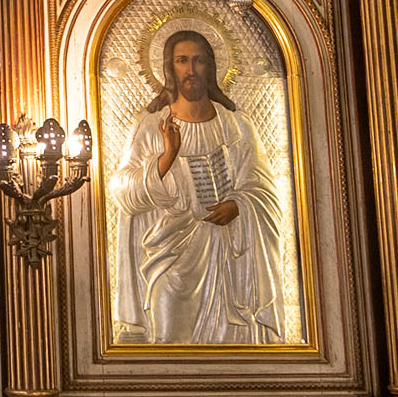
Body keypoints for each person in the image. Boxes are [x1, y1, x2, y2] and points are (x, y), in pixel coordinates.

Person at [115, 26, 282, 343]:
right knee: (166, 337)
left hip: (232, 260)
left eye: (198, 61)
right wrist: (167, 157)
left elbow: (265, 192)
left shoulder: (236, 125)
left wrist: (238, 205)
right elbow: (123, 191)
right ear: (170, 68)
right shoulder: (151, 126)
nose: (191, 70)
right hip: (171, 258)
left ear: (211, 67)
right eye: (182, 61)